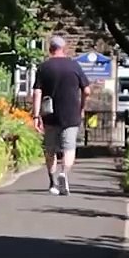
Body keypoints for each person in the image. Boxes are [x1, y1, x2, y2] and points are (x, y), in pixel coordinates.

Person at [32, 36, 91, 195]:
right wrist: (82, 107)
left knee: (50, 149)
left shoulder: (44, 67)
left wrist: (36, 115)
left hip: (49, 114)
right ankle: (64, 173)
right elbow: (87, 90)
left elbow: (37, 92)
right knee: (69, 148)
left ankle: (52, 183)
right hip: (71, 113)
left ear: (50, 49)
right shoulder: (74, 66)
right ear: (64, 49)